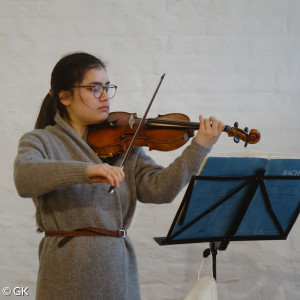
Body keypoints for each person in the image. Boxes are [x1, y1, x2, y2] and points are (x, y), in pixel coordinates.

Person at [14, 52, 224, 300]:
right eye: (94, 88)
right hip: (66, 267)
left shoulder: (125, 144)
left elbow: (160, 190)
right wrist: (86, 170)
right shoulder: (41, 140)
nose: (104, 96)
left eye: (107, 87)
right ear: (65, 96)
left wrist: (199, 147)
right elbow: (25, 177)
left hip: (117, 267)